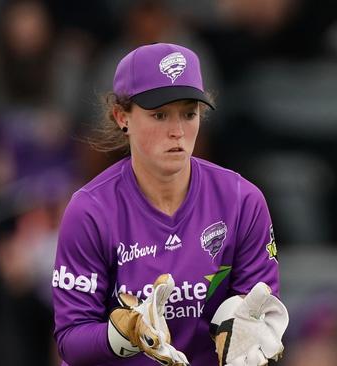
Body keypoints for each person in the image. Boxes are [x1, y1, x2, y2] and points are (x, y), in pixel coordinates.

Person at [52, 43, 288, 366]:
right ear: (122, 117)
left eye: (188, 114)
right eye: (159, 115)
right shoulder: (90, 211)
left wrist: (246, 333)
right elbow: (71, 340)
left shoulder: (242, 201)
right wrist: (123, 335)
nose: (177, 131)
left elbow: (257, 312)